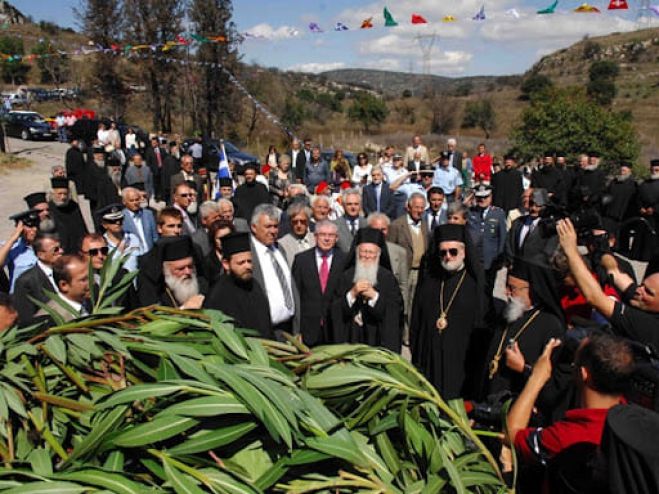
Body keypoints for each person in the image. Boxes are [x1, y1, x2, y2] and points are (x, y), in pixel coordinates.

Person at [506, 334, 634, 474]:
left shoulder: (567, 436)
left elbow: (511, 435)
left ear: (583, 373)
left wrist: (537, 377)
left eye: (575, 363)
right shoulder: (635, 422)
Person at [557, 218, 659, 348]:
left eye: (648, 292)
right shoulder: (642, 297)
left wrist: (570, 251)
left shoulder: (650, 327)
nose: (639, 290)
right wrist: (602, 250)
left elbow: (596, 299)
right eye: (642, 285)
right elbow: (615, 271)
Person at [411, 224, 485, 399]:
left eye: (453, 251)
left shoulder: (475, 285)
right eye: (442, 252)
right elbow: (417, 320)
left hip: (460, 361)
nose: (448, 257)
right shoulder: (431, 281)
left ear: (464, 252)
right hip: (431, 360)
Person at [485, 261, 565, 398]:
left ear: (533, 290)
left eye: (512, 288)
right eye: (506, 285)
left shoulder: (551, 326)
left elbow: (554, 385)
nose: (507, 292)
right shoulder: (509, 313)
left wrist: (524, 368)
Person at [331, 228, 403, 352]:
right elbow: (334, 309)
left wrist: (375, 297)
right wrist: (352, 294)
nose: (367, 256)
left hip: (377, 341)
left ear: (379, 254)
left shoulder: (387, 278)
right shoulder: (347, 276)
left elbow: (396, 311)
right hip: (351, 339)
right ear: (357, 252)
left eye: (371, 252)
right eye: (363, 252)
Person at [204, 232, 273, 338]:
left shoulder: (254, 284)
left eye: (249, 261)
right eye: (241, 263)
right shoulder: (217, 296)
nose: (248, 266)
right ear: (226, 264)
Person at [292, 220, 346, 346]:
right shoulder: (301, 260)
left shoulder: (345, 260)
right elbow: (296, 296)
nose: (326, 239)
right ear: (315, 236)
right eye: (322, 234)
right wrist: (296, 330)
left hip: (336, 329)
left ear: (336, 238)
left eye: (331, 235)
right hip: (308, 328)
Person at [250, 204, 298, 333]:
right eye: (268, 226)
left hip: (288, 330)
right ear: (254, 227)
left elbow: (289, 285)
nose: (273, 231)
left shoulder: (279, 249)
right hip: (264, 332)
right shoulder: (248, 254)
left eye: (275, 226)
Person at [389, 193, 429, 338]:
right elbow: (391, 249)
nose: (419, 211)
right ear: (408, 207)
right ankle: (404, 334)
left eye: (422, 208)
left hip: (420, 272)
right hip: (404, 272)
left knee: (416, 304)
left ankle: (412, 334)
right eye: (416, 207)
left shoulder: (424, 224)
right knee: (404, 304)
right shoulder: (396, 225)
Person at [13, 233, 63, 325]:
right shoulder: (26, 282)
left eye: (60, 247)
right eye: (55, 250)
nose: (61, 251)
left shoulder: (65, 271)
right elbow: (26, 319)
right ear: (41, 254)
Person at [366, 213, 409, 318]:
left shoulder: (400, 252)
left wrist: (403, 311)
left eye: (383, 229)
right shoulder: (362, 252)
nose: (380, 233)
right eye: (376, 229)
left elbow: (403, 284)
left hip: (391, 307)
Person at [467, 184, 507, 292]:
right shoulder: (470, 212)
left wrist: (500, 258)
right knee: (473, 287)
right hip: (474, 257)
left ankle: (488, 308)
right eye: (479, 197)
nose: (482, 200)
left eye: (485, 197)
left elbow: (502, 237)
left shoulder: (498, 213)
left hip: (490, 259)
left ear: (491, 197)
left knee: (488, 288)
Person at [148, 236, 206, 309]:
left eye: (190, 266)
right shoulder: (158, 293)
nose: (187, 272)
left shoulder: (203, 284)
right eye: (181, 269)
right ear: (166, 271)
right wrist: (184, 308)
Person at [505, 188, 558, 267]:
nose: (533, 208)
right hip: (516, 270)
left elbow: (548, 251)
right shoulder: (518, 222)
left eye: (538, 206)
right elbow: (509, 244)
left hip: (537, 271)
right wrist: (513, 263)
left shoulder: (550, 227)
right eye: (531, 204)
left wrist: (529, 267)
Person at [35, 255, 91, 323]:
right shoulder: (49, 319)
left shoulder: (92, 303)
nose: (92, 282)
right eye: (83, 280)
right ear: (64, 285)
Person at [0, 209, 38, 292]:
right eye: (30, 226)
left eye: (36, 225)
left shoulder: (47, 244)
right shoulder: (11, 247)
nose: (34, 229)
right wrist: (13, 238)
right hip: (20, 298)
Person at [97, 204, 143, 272]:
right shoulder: (101, 244)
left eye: (120, 219)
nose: (118, 222)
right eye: (113, 221)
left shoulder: (133, 238)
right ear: (104, 225)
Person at [48, 177, 88, 254]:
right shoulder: (49, 209)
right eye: (59, 194)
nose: (63, 197)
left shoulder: (74, 206)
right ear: (53, 193)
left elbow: (82, 229)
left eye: (65, 194)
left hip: (76, 250)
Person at [602, 161, 637, 239]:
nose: (622, 172)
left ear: (629, 171)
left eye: (624, 170)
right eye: (621, 170)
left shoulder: (633, 184)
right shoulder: (613, 182)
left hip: (623, 214)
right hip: (610, 213)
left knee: (621, 236)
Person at [279, 203, 315, 268]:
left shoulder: (316, 239)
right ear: (290, 222)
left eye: (302, 221)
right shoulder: (282, 244)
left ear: (308, 222)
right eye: (295, 222)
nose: (299, 225)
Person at [122, 187, 158, 252]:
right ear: (124, 202)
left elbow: (155, 236)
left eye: (137, 200)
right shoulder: (122, 217)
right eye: (131, 200)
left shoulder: (148, 214)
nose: (135, 203)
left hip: (150, 254)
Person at [203, 219, 234, 287]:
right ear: (213, 239)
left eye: (228, 237)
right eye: (220, 238)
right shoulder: (208, 262)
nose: (224, 241)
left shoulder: (240, 256)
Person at [334, 189, 367, 253]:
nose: (353, 207)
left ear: (360, 205)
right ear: (343, 205)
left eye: (356, 204)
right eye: (349, 204)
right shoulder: (334, 225)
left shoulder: (368, 224)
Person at [145, 136, 166, 200]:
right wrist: (152, 170)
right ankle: (156, 196)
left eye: (154, 143)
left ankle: (162, 196)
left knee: (162, 183)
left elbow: (165, 159)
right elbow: (148, 162)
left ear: (157, 143)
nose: (153, 144)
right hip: (154, 171)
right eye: (152, 143)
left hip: (162, 170)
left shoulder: (162, 150)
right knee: (155, 184)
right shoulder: (149, 151)